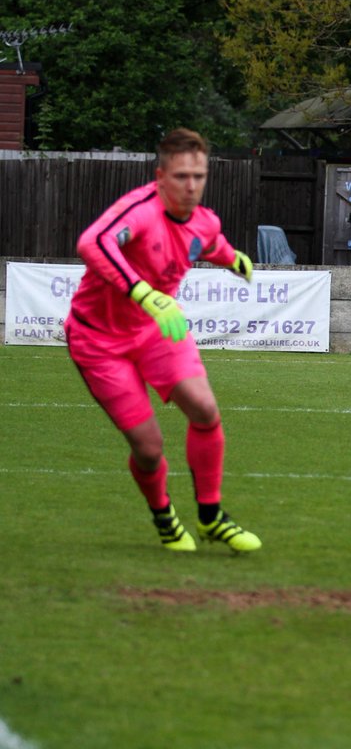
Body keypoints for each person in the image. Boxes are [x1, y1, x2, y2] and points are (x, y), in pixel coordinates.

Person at [65, 128, 261, 553]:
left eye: (199, 176)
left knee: (206, 409)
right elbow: (92, 242)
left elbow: (210, 243)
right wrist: (146, 294)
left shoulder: (205, 220)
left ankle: (211, 518)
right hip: (98, 341)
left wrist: (235, 260)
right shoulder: (138, 210)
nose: (190, 186)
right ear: (160, 177)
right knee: (149, 449)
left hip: (155, 331)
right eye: (181, 177)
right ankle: (165, 516)